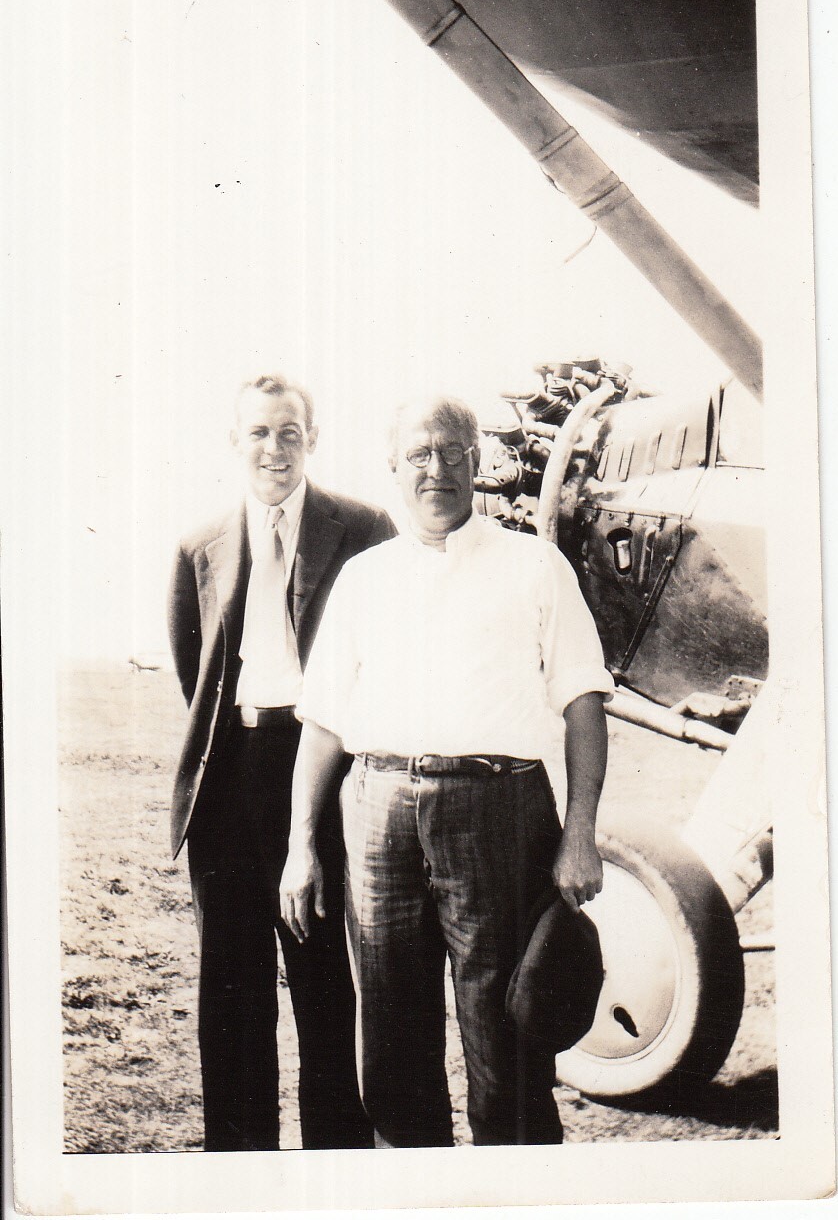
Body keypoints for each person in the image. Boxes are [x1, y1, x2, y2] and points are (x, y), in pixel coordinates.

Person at [279, 394, 614, 1148]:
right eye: (419, 455)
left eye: (452, 451)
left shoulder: (534, 565)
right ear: (393, 469)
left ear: (478, 461)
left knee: (508, 1041)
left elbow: (584, 705)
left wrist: (581, 833)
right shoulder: (364, 578)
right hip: (377, 814)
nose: (437, 468)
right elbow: (325, 723)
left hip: (499, 810)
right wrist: (303, 844)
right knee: (391, 1050)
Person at [167, 373, 395, 1152]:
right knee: (230, 1000)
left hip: (327, 779)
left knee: (328, 990)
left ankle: (337, 1177)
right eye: (259, 432)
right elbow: (192, 664)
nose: (274, 447)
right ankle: (240, 1177)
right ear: (236, 442)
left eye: (288, 431)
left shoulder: (364, 528)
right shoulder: (197, 545)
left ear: (313, 438)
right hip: (231, 782)